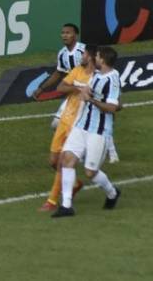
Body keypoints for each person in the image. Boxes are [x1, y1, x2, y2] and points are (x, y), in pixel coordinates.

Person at [52, 46, 122, 218]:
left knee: (90, 172)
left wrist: (90, 99)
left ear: (102, 60)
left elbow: (112, 107)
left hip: (98, 131)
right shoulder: (97, 75)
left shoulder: (112, 79)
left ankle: (112, 193)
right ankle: (66, 206)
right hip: (81, 126)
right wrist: (84, 91)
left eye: (97, 56)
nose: (94, 58)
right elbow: (89, 90)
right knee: (67, 159)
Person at [38, 46, 99, 211]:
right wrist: (79, 88)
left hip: (79, 126)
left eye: (85, 53)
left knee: (62, 163)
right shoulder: (77, 70)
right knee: (53, 161)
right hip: (65, 120)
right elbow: (61, 87)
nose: (82, 56)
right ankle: (75, 184)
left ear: (92, 57)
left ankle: (51, 201)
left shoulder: (97, 77)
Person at [32, 24, 85, 129]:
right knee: (56, 124)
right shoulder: (62, 53)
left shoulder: (84, 51)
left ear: (75, 35)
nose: (64, 35)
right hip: (74, 93)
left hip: (86, 92)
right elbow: (58, 73)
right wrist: (41, 88)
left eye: (68, 33)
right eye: (63, 33)